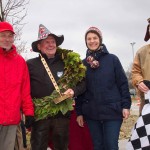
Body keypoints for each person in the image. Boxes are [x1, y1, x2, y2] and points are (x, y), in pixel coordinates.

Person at [27, 24, 86, 150]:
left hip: (61, 116)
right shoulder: (30, 65)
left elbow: (83, 83)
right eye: (46, 42)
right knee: (38, 147)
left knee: (62, 147)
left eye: (53, 42)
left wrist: (73, 91)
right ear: (39, 46)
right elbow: (24, 90)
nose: (50, 45)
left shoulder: (66, 63)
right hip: (40, 116)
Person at [75, 26, 131, 150]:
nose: (92, 41)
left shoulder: (112, 59)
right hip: (92, 113)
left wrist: (126, 105)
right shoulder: (83, 64)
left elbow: (123, 84)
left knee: (111, 145)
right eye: (88, 39)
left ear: (100, 39)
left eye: (95, 38)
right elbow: (80, 90)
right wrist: (79, 112)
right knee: (97, 146)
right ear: (86, 42)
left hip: (112, 111)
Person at [0, 21, 34, 150]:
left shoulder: (20, 62)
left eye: (10, 36)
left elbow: (25, 91)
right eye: (3, 35)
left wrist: (29, 113)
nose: (7, 39)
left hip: (11, 119)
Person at [132, 18, 150, 113]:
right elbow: (135, 72)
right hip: (147, 102)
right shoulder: (141, 52)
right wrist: (139, 82)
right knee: (146, 127)